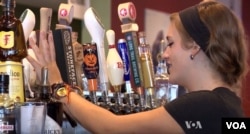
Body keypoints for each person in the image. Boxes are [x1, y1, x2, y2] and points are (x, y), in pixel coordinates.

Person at [26, 1, 248, 133]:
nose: (164, 53)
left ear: (195, 47)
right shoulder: (228, 104)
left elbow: (110, 127)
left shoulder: (205, 104)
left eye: (170, 43)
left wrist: (57, 84)